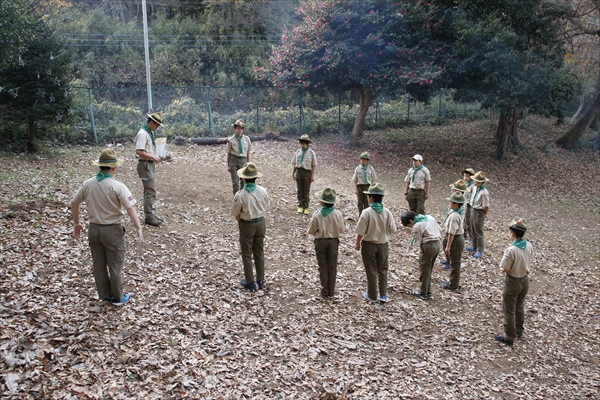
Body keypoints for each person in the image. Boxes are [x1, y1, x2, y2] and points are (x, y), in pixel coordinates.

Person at [71, 148, 142, 306]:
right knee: (115, 264)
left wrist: (77, 222)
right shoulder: (117, 186)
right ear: (114, 168)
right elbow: (130, 208)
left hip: (94, 229)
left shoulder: (88, 184)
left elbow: (74, 203)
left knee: (99, 264)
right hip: (112, 230)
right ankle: (117, 296)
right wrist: (138, 227)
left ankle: (104, 294)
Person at [355, 183, 397, 303]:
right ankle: (383, 295)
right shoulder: (387, 212)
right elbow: (393, 229)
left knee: (371, 269)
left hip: (369, 244)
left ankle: (372, 295)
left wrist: (357, 243)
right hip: (383, 244)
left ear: (371, 197)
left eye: (368, 196)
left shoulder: (366, 212)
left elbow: (360, 231)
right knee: (383, 269)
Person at [230, 162, 269, 291]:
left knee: (247, 253)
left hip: (247, 224)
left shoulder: (240, 195)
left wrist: (242, 222)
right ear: (256, 178)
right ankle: (261, 280)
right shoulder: (263, 191)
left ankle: (250, 282)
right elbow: (266, 206)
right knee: (259, 252)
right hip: (261, 223)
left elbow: (236, 214)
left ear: (243, 178)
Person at [494, 218, 533, 346]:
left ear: (512, 233)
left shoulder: (511, 250)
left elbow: (505, 268)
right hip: (525, 280)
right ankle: (519, 330)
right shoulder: (528, 245)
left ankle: (509, 336)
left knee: (509, 308)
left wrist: (501, 268)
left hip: (513, 281)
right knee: (519, 305)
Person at [307, 188, 345, 299]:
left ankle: (324, 290)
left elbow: (311, 230)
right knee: (332, 266)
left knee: (322, 266)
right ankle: (331, 292)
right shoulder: (338, 214)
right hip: (333, 241)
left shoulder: (317, 214)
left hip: (320, 242)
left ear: (322, 202)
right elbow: (341, 229)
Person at [401, 210, 442, 301]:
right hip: (437, 244)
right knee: (429, 268)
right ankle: (428, 290)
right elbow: (440, 229)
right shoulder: (429, 217)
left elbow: (419, 240)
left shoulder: (417, 226)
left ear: (411, 221)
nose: (410, 227)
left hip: (428, 245)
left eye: (409, 225)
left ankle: (423, 292)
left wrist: (423, 249)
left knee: (424, 268)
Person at [135, 111, 164, 227]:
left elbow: (149, 150)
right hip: (145, 164)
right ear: (151, 122)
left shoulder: (149, 133)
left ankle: (151, 213)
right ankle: (149, 216)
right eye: (156, 125)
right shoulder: (143, 134)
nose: (157, 128)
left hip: (149, 164)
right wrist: (153, 157)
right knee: (150, 191)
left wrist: (159, 155)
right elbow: (139, 151)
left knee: (149, 190)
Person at [440, 179, 467, 270]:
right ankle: (448, 260)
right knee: (446, 245)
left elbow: (453, 230)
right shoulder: (455, 208)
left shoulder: (458, 210)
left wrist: (448, 245)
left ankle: (450, 264)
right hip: (451, 231)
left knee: (453, 254)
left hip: (455, 234)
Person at [441, 192, 466, 290]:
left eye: (451, 202)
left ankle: (453, 284)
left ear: (456, 204)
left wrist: (448, 246)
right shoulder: (458, 212)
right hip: (456, 237)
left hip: (455, 239)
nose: (449, 204)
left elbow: (452, 232)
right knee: (454, 262)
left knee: (455, 263)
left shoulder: (454, 216)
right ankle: (453, 281)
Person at [467, 171, 490, 259]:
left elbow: (486, 206)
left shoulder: (484, 192)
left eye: (476, 181)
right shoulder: (475, 188)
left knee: (478, 231)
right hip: (473, 209)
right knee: (473, 229)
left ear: (481, 182)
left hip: (479, 212)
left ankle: (480, 250)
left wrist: (484, 214)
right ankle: (474, 246)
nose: (474, 182)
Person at [292, 134, 317, 215]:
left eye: (303, 144)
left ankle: (306, 206)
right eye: (301, 143)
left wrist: (312, 176)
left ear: (307, 144)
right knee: (300, 190)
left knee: (306, 190)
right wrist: (293, 173)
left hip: (307, 173)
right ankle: (300, 206)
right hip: (299, 171)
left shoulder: (311, 153)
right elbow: (295, 164)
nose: (302, 145)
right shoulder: (298, 152)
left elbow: (313, 165)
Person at [225, 119, 252, 195]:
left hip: (243, 160)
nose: (239, 130)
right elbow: (229, 153)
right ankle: (236, 198)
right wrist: (228, 165)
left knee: (243, 181)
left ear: (243, 130)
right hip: (234, 160)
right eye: (238, 128)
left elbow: (247, 152)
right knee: (235, 182)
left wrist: (248, 164)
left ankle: (242, 197)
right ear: (235, 129)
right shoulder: (230, 140)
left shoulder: (246, 139)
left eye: (241, 129)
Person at [351, 151, 378, 217]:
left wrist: (372, 188)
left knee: (367, 202)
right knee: (360, 202)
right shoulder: (358, 168)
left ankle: (366, 216)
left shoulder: (370, 168)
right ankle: (360, 215)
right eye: (362, 159)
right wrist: (356, 189)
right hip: (360, 186)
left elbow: (373, 178)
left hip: (368, 186)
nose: (362, 161)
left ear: (367, 160)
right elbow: (355, 180)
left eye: (364, 159)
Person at [462, 168, 475, 241]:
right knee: (463, 219)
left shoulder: (473, 186)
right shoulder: (465, 184)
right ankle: (464, 234)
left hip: (469, 205)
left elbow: (473, 196)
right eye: (464, 176)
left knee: (469, 221)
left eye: (467, 176)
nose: (465, 178)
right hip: (464, 204)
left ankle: (471, 236)